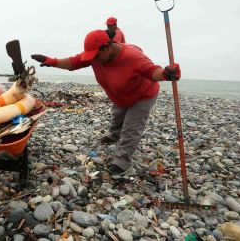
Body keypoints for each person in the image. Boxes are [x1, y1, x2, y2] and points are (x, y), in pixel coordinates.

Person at [31, 29, 181, 174]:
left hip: (142, 95)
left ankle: (123, 162)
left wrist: (166, 74)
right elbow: (73, 62)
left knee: (131, 128)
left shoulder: (133, 57)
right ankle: (114, 134)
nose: (94, 60)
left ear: (107, 47)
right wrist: (51, 61)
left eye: (96, 56)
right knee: (117, 116)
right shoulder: (94, 55)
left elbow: (152, 71)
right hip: (120, 95)